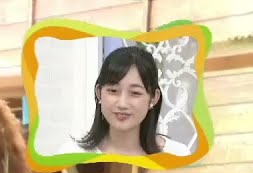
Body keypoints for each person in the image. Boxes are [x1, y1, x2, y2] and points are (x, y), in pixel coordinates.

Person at [55, 44, 191, 157]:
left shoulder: (177, 155)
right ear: (99, 93)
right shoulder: (70, 155)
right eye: (113, 91)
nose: (122, 104)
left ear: (154, 98)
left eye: (135, 93)